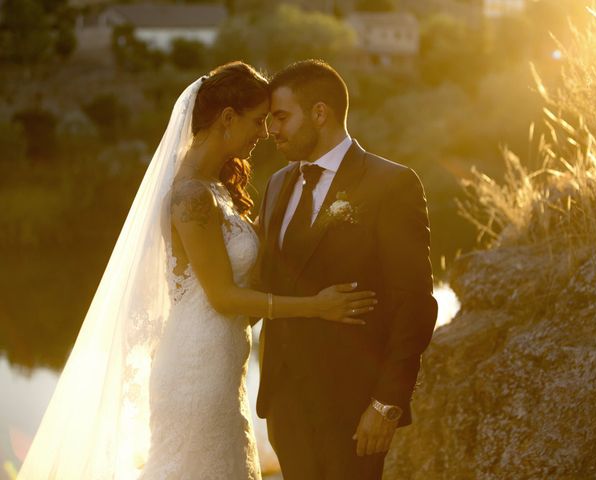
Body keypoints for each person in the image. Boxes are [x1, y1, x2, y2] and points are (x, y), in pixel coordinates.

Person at [17, 61, 376, 480]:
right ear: (227, 118)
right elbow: (222, 297)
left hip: (222, 364)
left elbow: (251, 262)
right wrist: (316, 307)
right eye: (258, 121)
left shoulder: (217, 189)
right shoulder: (190, 196)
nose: (264, 132)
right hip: (195, 367)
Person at [256, 59, 439, 479]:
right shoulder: (277, 185)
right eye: (268, 121)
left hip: (355, 405)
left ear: (320, 113)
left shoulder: (391, 183)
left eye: (281, 117)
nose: (272, 131)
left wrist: (386, 403)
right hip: (285, 407)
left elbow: (415, 303)